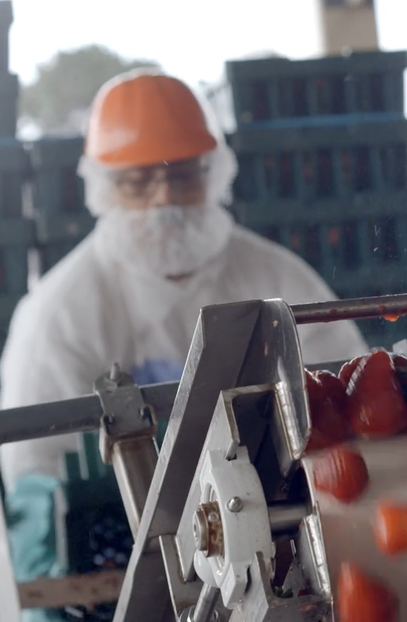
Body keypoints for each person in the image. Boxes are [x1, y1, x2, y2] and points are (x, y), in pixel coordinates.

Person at [0, 69, 368, 620]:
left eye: (183, 175)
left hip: (291, 555)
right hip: (122, 572)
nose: (164, 197)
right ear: (102, 186)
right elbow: (37, 485)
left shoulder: (279, 279)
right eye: (139, 180)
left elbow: (351, 400)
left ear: (215, 172)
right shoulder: (59, 314)